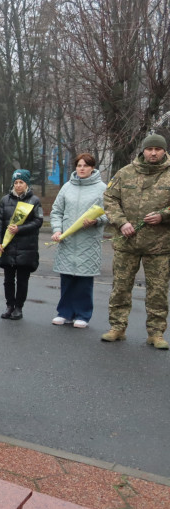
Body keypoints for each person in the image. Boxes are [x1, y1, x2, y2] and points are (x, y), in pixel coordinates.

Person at [102, 134, 170, 349]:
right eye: (149, 149)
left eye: (157, 149)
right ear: (143, 151)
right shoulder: (125, 173)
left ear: (164, 151)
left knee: (158, 291)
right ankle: (117, 327)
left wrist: (164, 215)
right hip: (127, 242)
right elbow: (110, 199)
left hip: (159, 245)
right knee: (121, 287)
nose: (153, 153)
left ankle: (156, 333)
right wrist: (121, 223)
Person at [50, 153, 108, 328]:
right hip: (67, 241)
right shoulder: (67, 187)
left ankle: (83, 314)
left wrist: (97, 221)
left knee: (84, 280)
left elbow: (109, 213)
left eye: (85, 165)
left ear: (92, 168)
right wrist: (57, 230)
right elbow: (57, 211)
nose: (81, 168)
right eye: (79, 165)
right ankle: (65, 313)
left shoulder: (102, 188)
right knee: (66, 278)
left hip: (88, 241)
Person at [0, 170, 43, 320]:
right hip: (8, 246)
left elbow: (38, 221)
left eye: (21, 182)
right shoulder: (5, 200)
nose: (18, 185)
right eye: (16, 182)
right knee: (8, 279)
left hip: (26, 246)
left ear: (26, 184)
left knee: (22, 279)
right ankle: (9, 305)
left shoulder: (34, 200)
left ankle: (19, 307)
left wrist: (20, 229)